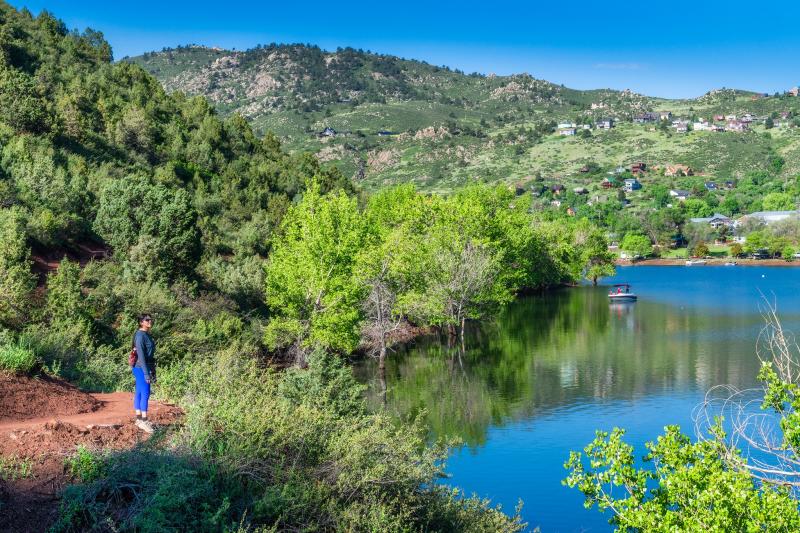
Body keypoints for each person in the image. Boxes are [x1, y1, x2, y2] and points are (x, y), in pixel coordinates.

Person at [132, 313, 156, 433]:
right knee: (145, 393)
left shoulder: (146, 334)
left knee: (140, 392)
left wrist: (153, 371)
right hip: (141, 367)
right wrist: (147, 374)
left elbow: (150, 356)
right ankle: (144, 420)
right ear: (141, 322)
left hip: (143, 367)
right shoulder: (140, 336)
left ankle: (139, 419)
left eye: (150, 319)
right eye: (147, 320)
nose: (150, 321)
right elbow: (141, 356)